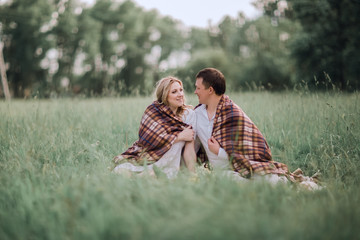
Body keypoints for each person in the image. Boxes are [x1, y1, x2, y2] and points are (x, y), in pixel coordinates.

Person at [194, 68, 320, 189]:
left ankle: (303, 184)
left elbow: (246, 151)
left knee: (269, 180)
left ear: (210, 90)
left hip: (246, 166)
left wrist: (219, 151)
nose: (195, 91)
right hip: (225, 172)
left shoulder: (232, 113)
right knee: (230, 181)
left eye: (198, 88)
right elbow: (193, 148)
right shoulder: (197, 114)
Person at [113, 76, 197, 178]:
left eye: (181, 90)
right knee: (119, 172)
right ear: (165, 96)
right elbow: (148, 140)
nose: (180, 95)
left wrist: (193, 175)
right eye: (174, 92)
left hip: (169, 164)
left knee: (151, 176)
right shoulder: (153, 111)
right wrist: (179, 136)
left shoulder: (189, 115)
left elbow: (189, 148)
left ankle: (140, 177)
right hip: (148, 158)